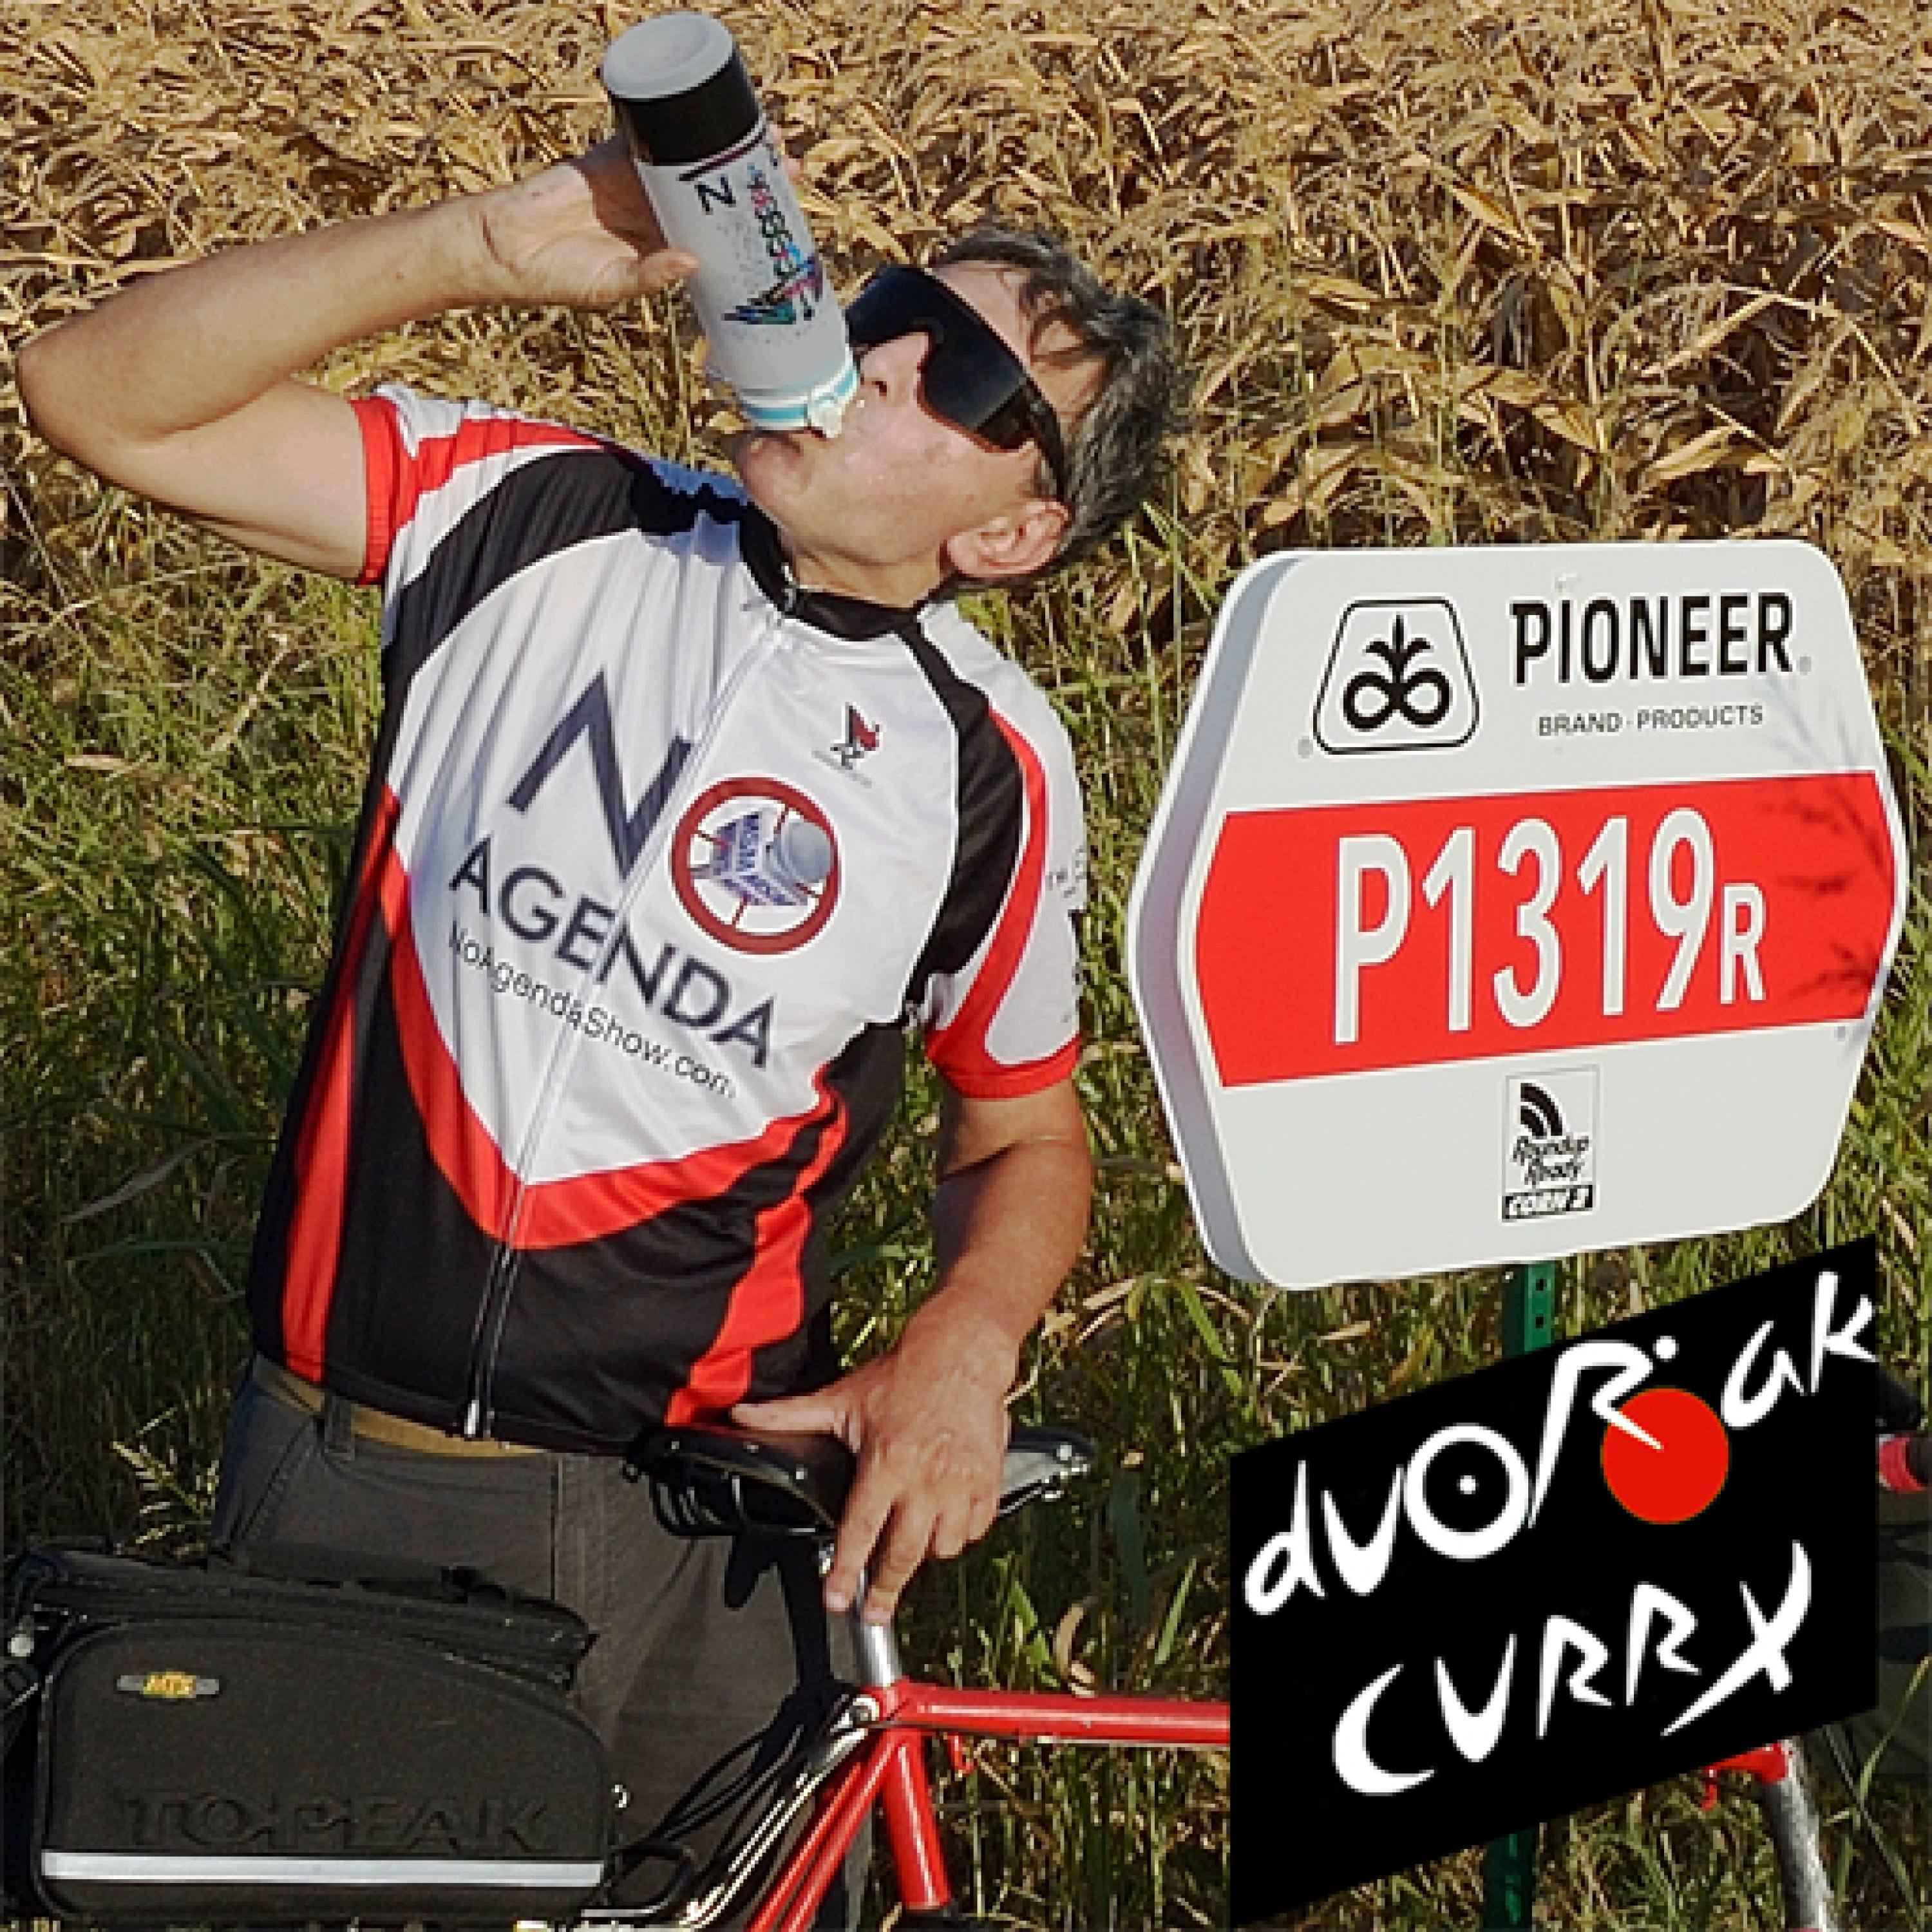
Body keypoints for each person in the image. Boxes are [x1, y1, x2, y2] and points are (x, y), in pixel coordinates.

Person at [17, 131, 1179, 1908]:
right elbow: (90, 392)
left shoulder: (993, 764)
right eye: (889, 308)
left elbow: (1019, 1130)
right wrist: (479, 244)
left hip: (703, 1533)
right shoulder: (534, 513)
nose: (875, 353)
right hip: (353, 1478)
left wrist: (970, 1338)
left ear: (1014, 530)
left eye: (955, 370)